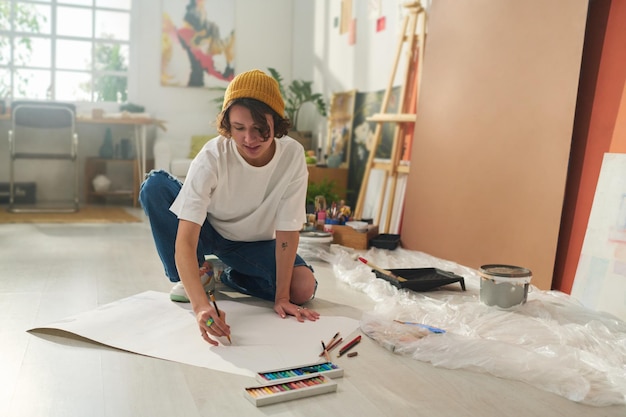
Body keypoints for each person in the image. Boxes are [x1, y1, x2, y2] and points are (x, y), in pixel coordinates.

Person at [139, 69, 320, 345]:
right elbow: (186, 240)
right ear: (228, 125)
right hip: (208, 230)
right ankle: (197, 275)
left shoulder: (292, 156)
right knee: (154, 186)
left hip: (252, 243)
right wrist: (201, 307)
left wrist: (282, 298)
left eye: (261, 129)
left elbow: (288, 230)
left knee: (303, 287)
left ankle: (227, 275)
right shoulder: (212, 155)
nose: (250, 139)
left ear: (277, 122)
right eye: (239, 128)